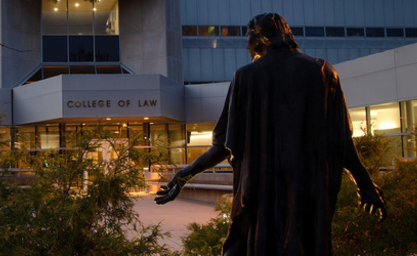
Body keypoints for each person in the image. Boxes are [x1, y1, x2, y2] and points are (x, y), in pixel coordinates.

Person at [156, 13, 386, 255]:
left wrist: (184, 175)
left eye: (249, 37)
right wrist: (365, 185)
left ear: (261, 38)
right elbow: (341, 143)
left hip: (260, 197)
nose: (246, 45)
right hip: (308, 195)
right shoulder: (322, 71)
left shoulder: (245, 76)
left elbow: (224, 145)